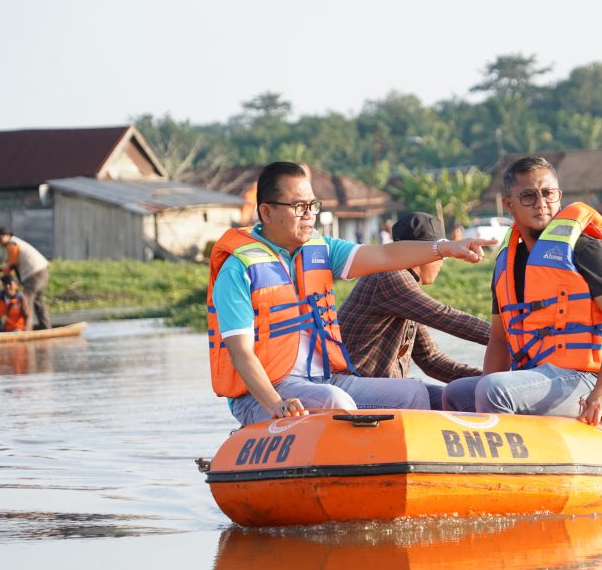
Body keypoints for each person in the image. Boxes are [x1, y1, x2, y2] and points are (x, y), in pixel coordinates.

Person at [207, 161, 495, 426]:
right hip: (263, 395)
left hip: (324, 379)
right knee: (336, 402)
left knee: (413, 394)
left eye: (312, 205)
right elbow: (240, 352)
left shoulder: (322, 249)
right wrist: (275, 403)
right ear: (266, 211)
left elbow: (383, 255)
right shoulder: (238, 270)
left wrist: (444, 247)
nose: (309, 216)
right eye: (298, 207)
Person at [442, 155, 602, 427]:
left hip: (591, 380)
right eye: (528, 196)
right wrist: (484, 389)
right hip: (536, 377)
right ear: (509, 205)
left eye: (548, 194)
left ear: (559, 196)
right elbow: (499, 339)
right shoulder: (506, 265)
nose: (541, 203)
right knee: (458, 394)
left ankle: (507, 465)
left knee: (494, 390)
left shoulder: (587, 248)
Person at [338, 212, 491, 410]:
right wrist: (509, 338)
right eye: (441, 254)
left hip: (380, 387)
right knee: (422, 394)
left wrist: (490, 377)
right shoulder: (390, 276)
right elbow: (444, 316)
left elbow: (431, 360)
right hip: (355, 388)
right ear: (422, 254)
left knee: (453, 397)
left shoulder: (404, 291)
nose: (442, 262)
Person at [0, 227, 51, 330]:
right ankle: (46, 328)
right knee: (38, 302)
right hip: (42, 272)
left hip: (34, 274)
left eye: (0, 238)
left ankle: (26, 330)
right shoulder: (15, 242)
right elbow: (14, 267)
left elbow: (12, 265)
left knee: (26, 302)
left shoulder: (11, 244)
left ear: (7, 236)